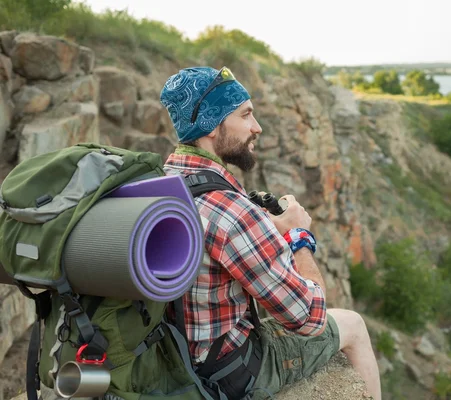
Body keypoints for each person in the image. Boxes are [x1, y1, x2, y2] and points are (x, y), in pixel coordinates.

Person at [159, 66, 381, 400]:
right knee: (354, 325)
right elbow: (309, 318)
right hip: (227, 371)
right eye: (246, 115)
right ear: (211, 125)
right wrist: (297, 237)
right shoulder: (232, 213)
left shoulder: (163, 179)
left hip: (172, 355)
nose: (257, 127)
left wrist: (264, 228)